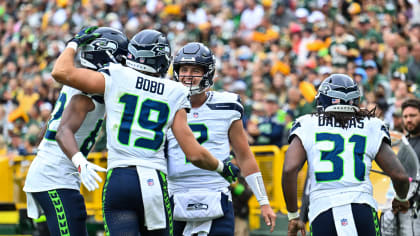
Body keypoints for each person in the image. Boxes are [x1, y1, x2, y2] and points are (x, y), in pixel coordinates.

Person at [51, 27, 239, 236]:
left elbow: (61, 72)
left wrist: (72, 44)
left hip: (120, 178)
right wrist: (222, 167)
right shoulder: (175, 91)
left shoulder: (116, 74)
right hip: (154, 181)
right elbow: (194, 154)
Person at [23, 27, 129, 236]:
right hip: (55, 177)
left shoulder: (78, 80)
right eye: (121, 57)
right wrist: (79, 160)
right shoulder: (87, 89)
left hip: (54, 174)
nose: (124, 63)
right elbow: (62, 132)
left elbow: (48, 129)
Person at [167, 42, 276, 236]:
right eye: (184, 69)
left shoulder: (227, 105)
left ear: (207, 73)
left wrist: (264, 201)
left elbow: (244, 156)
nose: (188, 75)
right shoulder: (165, 103)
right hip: (175, 194)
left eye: (195, 70)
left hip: (216, 192)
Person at [282, 74, 410, 236]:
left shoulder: (307, 123)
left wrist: (293, 215)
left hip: (322, 211)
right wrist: (401, 198)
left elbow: (289, 169)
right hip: (362, 209)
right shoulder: (371, 125)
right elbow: (400, 176)